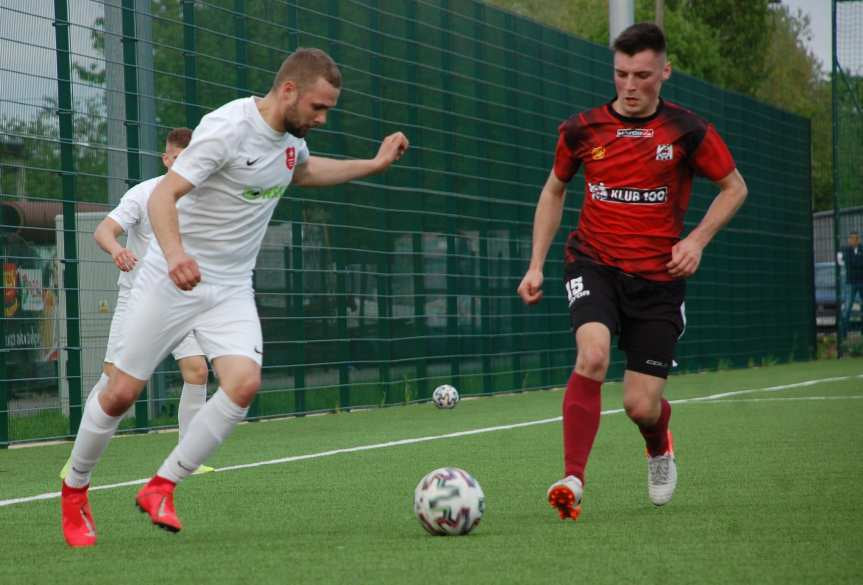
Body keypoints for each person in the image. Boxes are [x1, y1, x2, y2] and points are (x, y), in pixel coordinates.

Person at [60, 47, 409, 547]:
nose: (322, 117)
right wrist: (177, 254)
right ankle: (74, 491)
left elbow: (303, 173)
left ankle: (162, 486)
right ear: (288, 90)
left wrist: (373, 165)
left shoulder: (291, 139)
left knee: (243, 384)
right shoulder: (227, 128)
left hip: (230, 288)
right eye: (318, 106)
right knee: (119, 394)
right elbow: (163, 195)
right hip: (170, 276)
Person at [516, 23, 747, 521]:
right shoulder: (581, 129)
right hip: (592, 262)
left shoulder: (688, 131)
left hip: (658, 279)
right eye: (622, 74)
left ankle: (659, 442)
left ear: (665, 71)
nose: (631, 85)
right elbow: (553, 191)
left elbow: (734, 187)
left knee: (640, 405)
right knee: (593, 354)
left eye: (643, 75)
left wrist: (696, 241)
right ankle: (573, 479)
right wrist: (536, 264)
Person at [59, 128, 214, 480]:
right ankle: (76, 458)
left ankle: (187, 460)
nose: (185, 166)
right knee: (115, 380)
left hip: (179, 301)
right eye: (179, 159)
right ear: (167, 159)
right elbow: (104, 230)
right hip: (139, 299)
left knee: (197, 370)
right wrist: (118, 250)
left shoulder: (203, 197)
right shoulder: (144, 194)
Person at [837, 230, 863, 333]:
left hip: (861, 281)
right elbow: (842, 262)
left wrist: (853, 262)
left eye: (855, 238)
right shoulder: (845, 250)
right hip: (850, 282)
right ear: (849, 240)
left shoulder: (862, 248)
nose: (853, 240)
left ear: (858, 239)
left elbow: (854, 263)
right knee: (847, 307)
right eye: (851, 238)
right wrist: (856, 263)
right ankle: (843, 332)